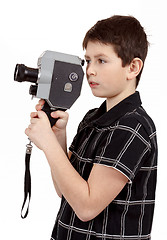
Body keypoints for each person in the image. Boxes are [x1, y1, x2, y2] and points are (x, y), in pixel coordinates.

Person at [25, 15, 158, 240]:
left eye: (101, 60)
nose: (90, 70)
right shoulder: (92, 119)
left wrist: (48, 144)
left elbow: (86, 207)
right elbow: (64, 191)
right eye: (87, 60)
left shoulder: (132, 127)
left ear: (133, 67)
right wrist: (58, 137)